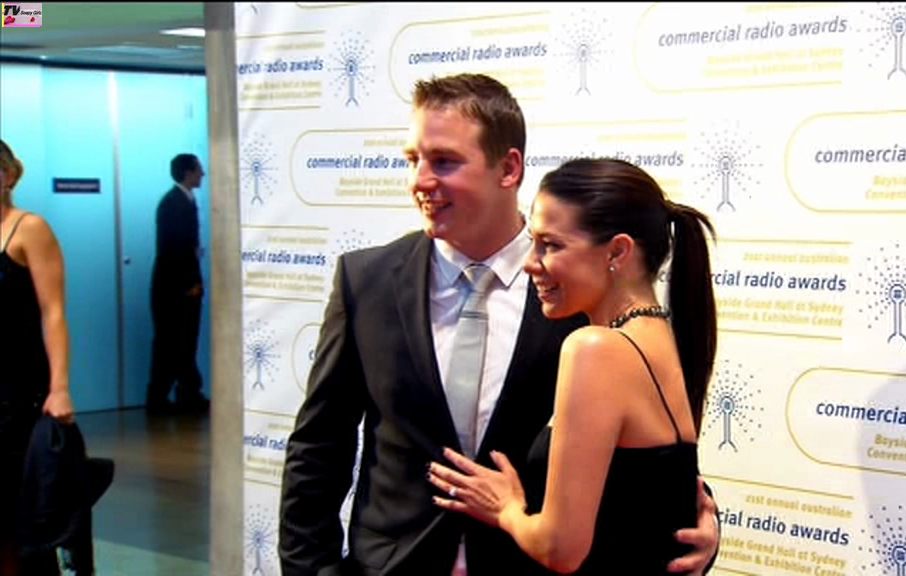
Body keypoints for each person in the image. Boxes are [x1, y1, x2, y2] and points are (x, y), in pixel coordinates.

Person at [279, 74, 720, 576]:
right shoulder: (367, 281)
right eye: (412, 159)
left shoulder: (580, 293)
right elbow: (320, 445)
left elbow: (640, 449)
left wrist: (695, 527)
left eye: (444, 161)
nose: (420, 180)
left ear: (508, 168)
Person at [427, 157, 716, 574]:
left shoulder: (594, 348)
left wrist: (506, 508)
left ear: (617, 252)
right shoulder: (660, 338)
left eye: (551, 245)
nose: (530, 263)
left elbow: (560, 549)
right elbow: (648, 490)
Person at [1, 139, 75, 575]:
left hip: (15, 392)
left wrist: (60, 387)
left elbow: (54, 312)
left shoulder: (29, 229)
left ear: (8, 176)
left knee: (20, 517)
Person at [146, 153, 208, 415]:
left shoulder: (184, 201)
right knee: (172, 341)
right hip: (174, 288)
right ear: (187, 172)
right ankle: (162, 396)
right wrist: (190, 282)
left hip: (180, 284)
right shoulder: (174, 204)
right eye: (198, 169)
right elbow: (174, 248)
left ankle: (187, 393)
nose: (202, 174)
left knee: (183, 341)